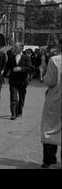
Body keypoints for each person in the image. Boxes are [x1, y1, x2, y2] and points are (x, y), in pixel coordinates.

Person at [40, 39, 61, 168]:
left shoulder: (55, 60)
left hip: (56, 99)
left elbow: (50, 81)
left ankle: (49, 159)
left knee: (49, 128)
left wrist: (43, 73)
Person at [4, 43, 33, 120]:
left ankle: (19, 111)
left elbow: (30, 68)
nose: (14, 48)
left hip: (23, 81)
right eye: (14, 46)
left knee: (21, 97)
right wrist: (2, 76)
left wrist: (20, 69)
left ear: (21, 48)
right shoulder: (11, 57)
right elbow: (7, 68)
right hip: (13, 81)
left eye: (16, 47)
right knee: (13, 97)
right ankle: (13, 114)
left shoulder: (26, 57)